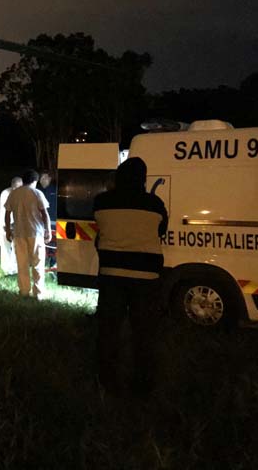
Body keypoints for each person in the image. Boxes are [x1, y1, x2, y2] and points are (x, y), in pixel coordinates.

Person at [93, 156, 168, 397]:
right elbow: (161, 230)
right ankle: (143, 386)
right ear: (143, 179)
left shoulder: (102, 201)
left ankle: (107, 382)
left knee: (109, 330)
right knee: (144, 332)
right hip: (146, 277)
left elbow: (100, 228)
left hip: (111, 275)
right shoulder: (155, 204)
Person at [4, 169, 51, 299]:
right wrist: (48, 230)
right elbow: (45, 214)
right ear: (35, 181)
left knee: (22, 263)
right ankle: (38, 293)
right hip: (35, 233)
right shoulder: (37, 193)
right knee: (37, 263)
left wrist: (8, 230)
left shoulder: (14, 194)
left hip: (19, 233)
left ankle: (24, 291)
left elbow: (7, 214)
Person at [0, 176, 23, 275]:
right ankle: (6, 268)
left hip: (18, 224)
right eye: (15, 188)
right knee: (5, 244)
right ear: (12, 186)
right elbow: (3, 212)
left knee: (17, 246)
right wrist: (5, 227)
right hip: (6, 223)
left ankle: (15, 268)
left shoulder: (23, 194)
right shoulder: (5, 193)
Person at [38, 170, 58, 268]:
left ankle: (53, 262)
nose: (42, 180)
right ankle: (49, 261)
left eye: (44, 178)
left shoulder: (54, 190)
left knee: (53, 243)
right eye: (41, 178)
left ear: (50, 178)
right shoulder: (41, 191)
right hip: (46, 222)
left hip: (53, 222)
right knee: (48, 242)